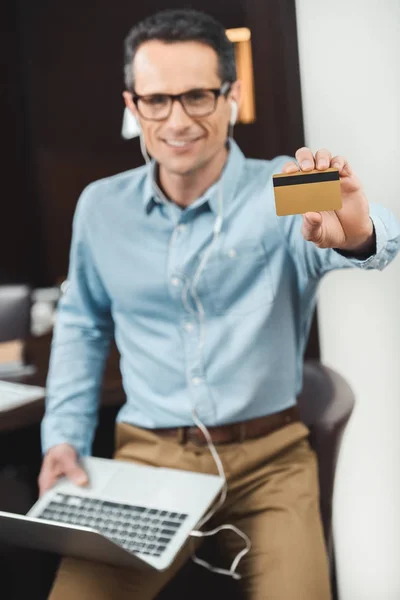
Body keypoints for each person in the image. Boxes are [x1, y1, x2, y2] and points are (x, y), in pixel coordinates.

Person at [39, 8, 400, 600]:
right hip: (148, 461)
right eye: (157, 101)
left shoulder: (281, 186)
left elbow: (369, 230)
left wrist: (357, 233)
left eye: (198, 96)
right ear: (133, 107)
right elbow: (81, 326)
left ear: (230, 96)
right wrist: (63, 438)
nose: (178, 120)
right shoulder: (101, 208)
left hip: (271, 463)